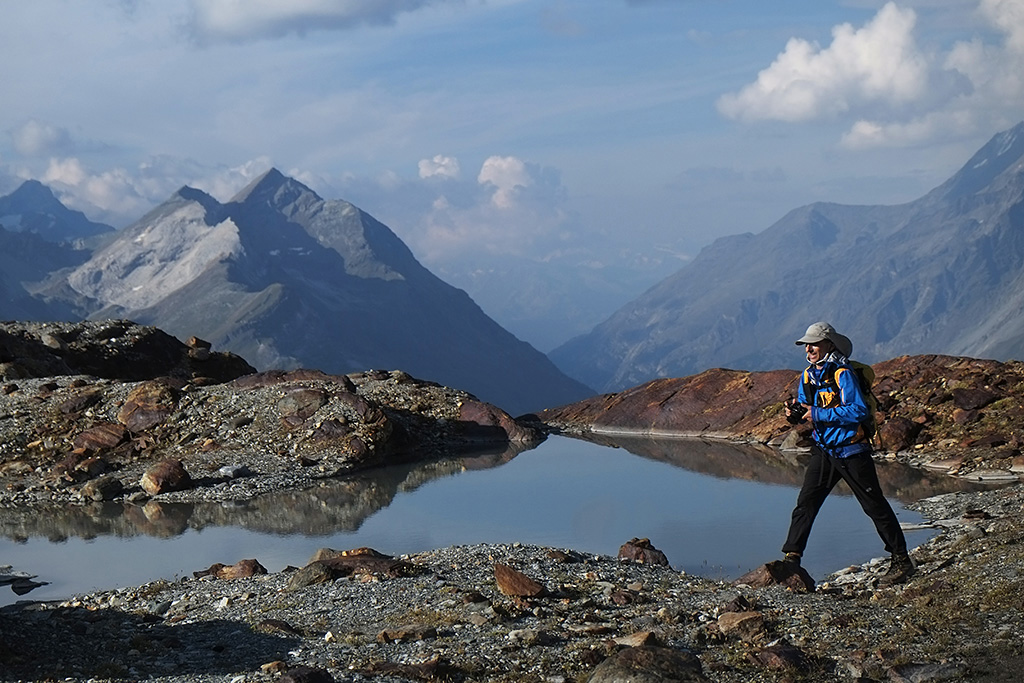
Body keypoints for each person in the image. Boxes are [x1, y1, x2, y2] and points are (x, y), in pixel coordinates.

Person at [782, 321, 915, 585]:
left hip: (852, 451)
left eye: (814, 343)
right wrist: (793, 414)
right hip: (824, 450)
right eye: (807, 344)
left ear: (829, 345)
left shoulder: (843, 374)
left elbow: (858, 411)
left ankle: (901, 560)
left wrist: (817, 413)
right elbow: (805, 409)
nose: (809, 348)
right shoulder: (808, 376)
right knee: (806, 504)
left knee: (873, 505)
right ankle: (791, 560)